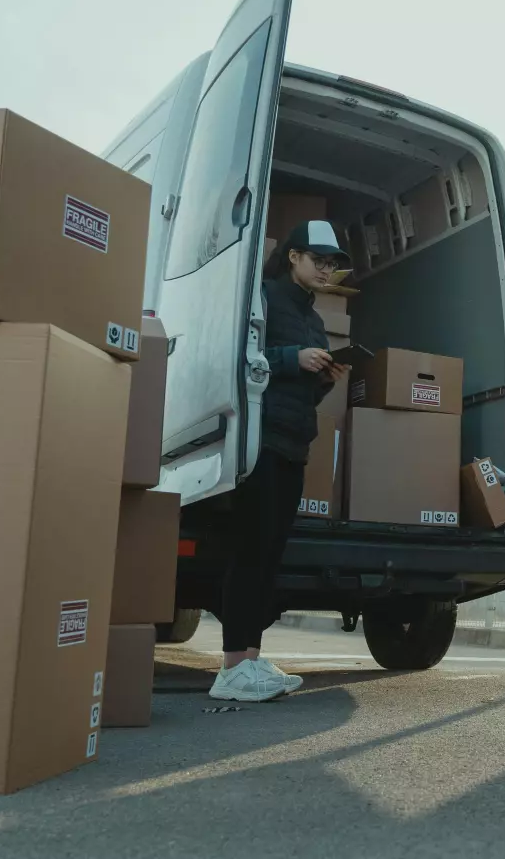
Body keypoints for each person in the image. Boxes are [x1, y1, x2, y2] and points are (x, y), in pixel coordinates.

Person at [210, 220, 352, 702]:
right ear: (293, 256)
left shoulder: (314, 318)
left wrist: (327, 374)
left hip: (295, 443)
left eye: (332, 264)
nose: (326, 270)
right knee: (250, 551)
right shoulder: (264, 298)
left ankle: (250, 659)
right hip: (260, 440)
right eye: (319, 260)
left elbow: (305, 389)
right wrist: (295, 358)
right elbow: (238, 356)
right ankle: (231, 667)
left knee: (270, 554)